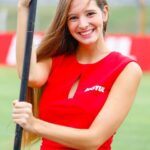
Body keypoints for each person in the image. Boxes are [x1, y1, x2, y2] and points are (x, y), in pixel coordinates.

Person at [12, 0, 142, 149]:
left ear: (104, 13)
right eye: (73, 18)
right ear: (66, 23)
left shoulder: (126, 69)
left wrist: (34, 124)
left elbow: (94, 140)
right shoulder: (55, 60)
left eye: (90, 14)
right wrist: (23, 8)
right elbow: (28, 75)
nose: (83, 24)